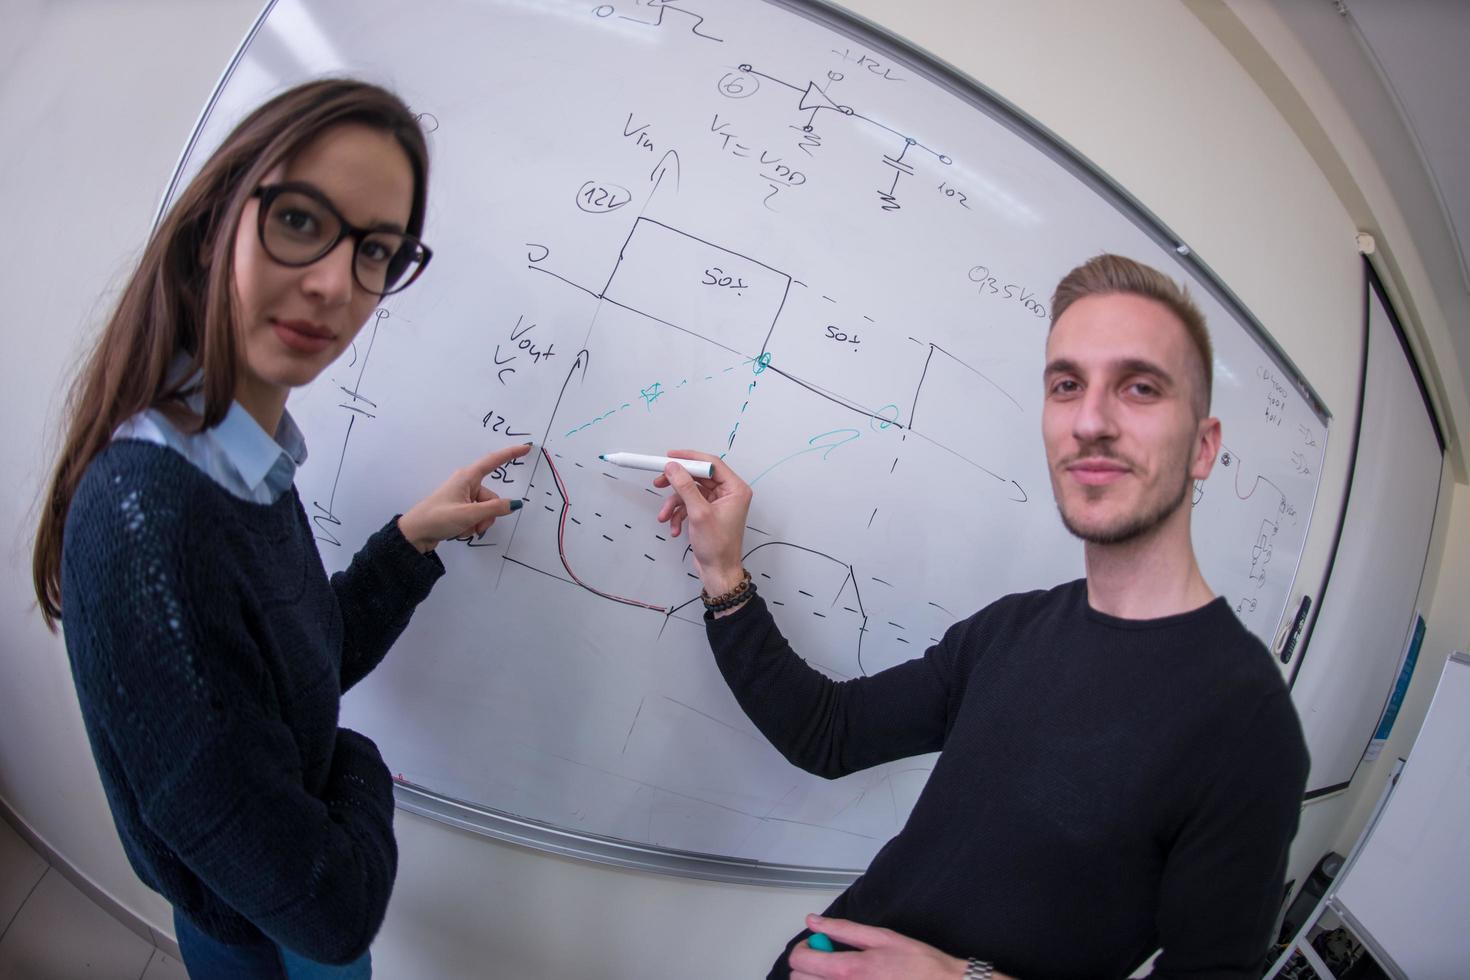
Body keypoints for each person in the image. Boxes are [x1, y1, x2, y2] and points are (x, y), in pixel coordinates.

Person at [651, 254, 1310, 980]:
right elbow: (828, 733)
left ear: (1204, 447)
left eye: (1140, 387)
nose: (1091, 420)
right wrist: (721, 570)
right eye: (1067, 385)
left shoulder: (1246, 721)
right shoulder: (1014, 629)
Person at [31, 79, 529, 978]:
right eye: (301, 221)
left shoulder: (239, 457)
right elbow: (333, 909)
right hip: (258, 925)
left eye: (378, 251)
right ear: (217, 218)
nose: (338, 283)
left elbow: (299, 667)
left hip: (258, 904)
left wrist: (411, 541)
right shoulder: (154, 516)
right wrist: (356, 760)